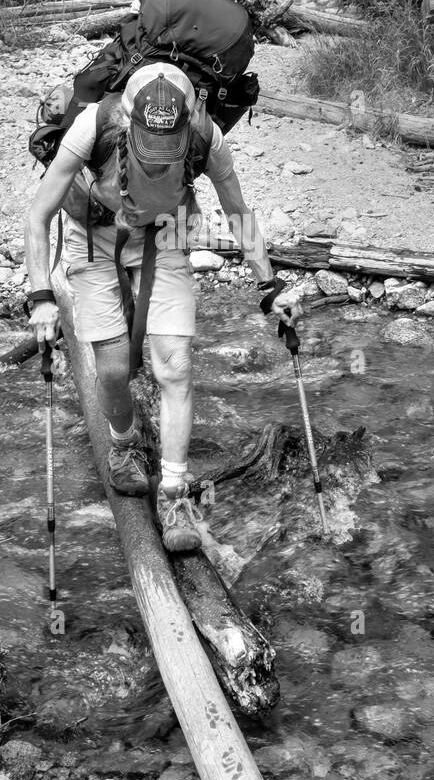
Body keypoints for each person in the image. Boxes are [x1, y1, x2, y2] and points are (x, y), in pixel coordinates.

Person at [25, 62, 302, 553]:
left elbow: (238, 211)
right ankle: (126, 440)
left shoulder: (204, 134)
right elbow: (40, 213)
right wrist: (42, 296)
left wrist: (271, 284)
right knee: (112, 372)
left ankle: (174, 490)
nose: (156, 162)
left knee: (174, 366)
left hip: (166, 233)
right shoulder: (95, 123)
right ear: (129, 120)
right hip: (94, 236)